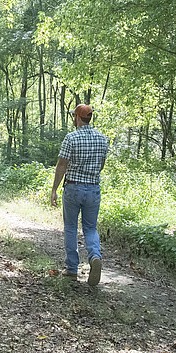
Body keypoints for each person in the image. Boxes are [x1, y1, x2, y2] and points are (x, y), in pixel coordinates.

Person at [51, 103, 108, 286]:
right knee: (90, 228)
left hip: (73, 188)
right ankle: (95, 257)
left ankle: (72, 269)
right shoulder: (102, 139)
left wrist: (54, 189)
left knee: (70, 227)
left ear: (77, 117)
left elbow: (62, 165)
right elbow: (101, 165)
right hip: (93, 189)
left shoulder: (71, 138)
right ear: (90, 118)